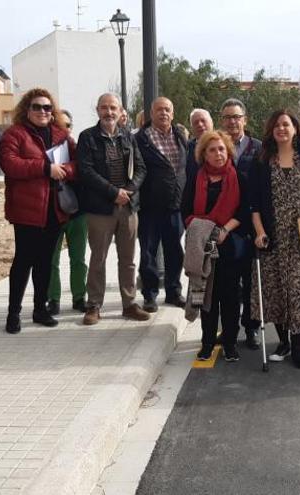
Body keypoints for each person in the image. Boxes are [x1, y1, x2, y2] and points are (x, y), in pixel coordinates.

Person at [0, 88, 77, 333]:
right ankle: (13, 313)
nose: (42, 111)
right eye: (36, 107)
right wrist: (46, 168)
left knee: (45, 261)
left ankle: (40, 309)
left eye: (47, 107)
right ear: (26, 109)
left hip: (55, 209)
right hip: (27, 210)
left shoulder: (61, 135)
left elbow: (77, 163)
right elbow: (10, 164)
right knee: (23, 262)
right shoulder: (15, 134)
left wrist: (65, 170)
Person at [249, 109, 300, 368]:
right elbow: (254, 204)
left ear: (295, 129)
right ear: (271, 130)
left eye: (286, 124)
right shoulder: (261, 161)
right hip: (273, 235)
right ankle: (284, 341)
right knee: (276, 288)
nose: (281, 128)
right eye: (277, 125)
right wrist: (260, 232)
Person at [78, 93, 150, 324]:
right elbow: (86, 171)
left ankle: (129, 304)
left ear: (121, 112)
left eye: (113, 108)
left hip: (128, 208)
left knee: (128, 259)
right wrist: (113, 193)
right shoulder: (87, 137)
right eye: (104, 108)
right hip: (101, 209)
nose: (109, 112)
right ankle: (94, 306)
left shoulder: (129, 137)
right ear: (97, 110)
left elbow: (141, 169)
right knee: (98, 258)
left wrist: (127, 191)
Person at [182, 131, 250, 361]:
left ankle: (230, 343)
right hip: (203, 247)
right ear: (204, 154)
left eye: (221, 149)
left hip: (228, 245)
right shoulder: (196, 178)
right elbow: (186, 211)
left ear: (228, 150)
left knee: (230, 298)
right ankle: (207, 343)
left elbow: (244, 210)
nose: (218, 153)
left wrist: (224, 230)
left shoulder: (238, 177)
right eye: (212, 150)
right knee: (206, 298)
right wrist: (202, 229)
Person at [135, 97, 188, 312]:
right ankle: (149, 295)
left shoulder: (181, 136)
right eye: (159, 110)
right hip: (150, 207)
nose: (163, 113)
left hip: (176, 207)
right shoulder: (140, 139)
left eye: (167, 109)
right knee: (149, 253)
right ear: (151, 113)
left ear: (173, 114)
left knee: (175, 251)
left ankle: (173, 293)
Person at [221, 98, 264, 350]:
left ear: (245, 120)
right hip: (226, 226)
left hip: (251, 224)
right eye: (227, 117)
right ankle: (229, 329)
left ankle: (252, 327)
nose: (232, 121)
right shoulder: (218, 146)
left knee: (251, 282)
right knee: (228, 282)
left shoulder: (258, 148)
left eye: (236, 117)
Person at [47, 109, 88, 316]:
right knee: (51, 259)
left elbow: (85, 172)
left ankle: (79, 297)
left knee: (78, 258)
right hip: (52, 211)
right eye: (58, 125)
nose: (63, 129)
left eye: (67, 125)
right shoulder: (43, 148)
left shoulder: (79, 148)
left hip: (78, 212)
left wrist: (66, 170)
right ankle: (53, 299)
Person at [185, 108, 213, 180]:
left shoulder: (224, 145)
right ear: (191, 128)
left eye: (203, 121)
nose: (200, 124)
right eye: (195, 122)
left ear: (211, 123)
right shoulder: (186, 149)